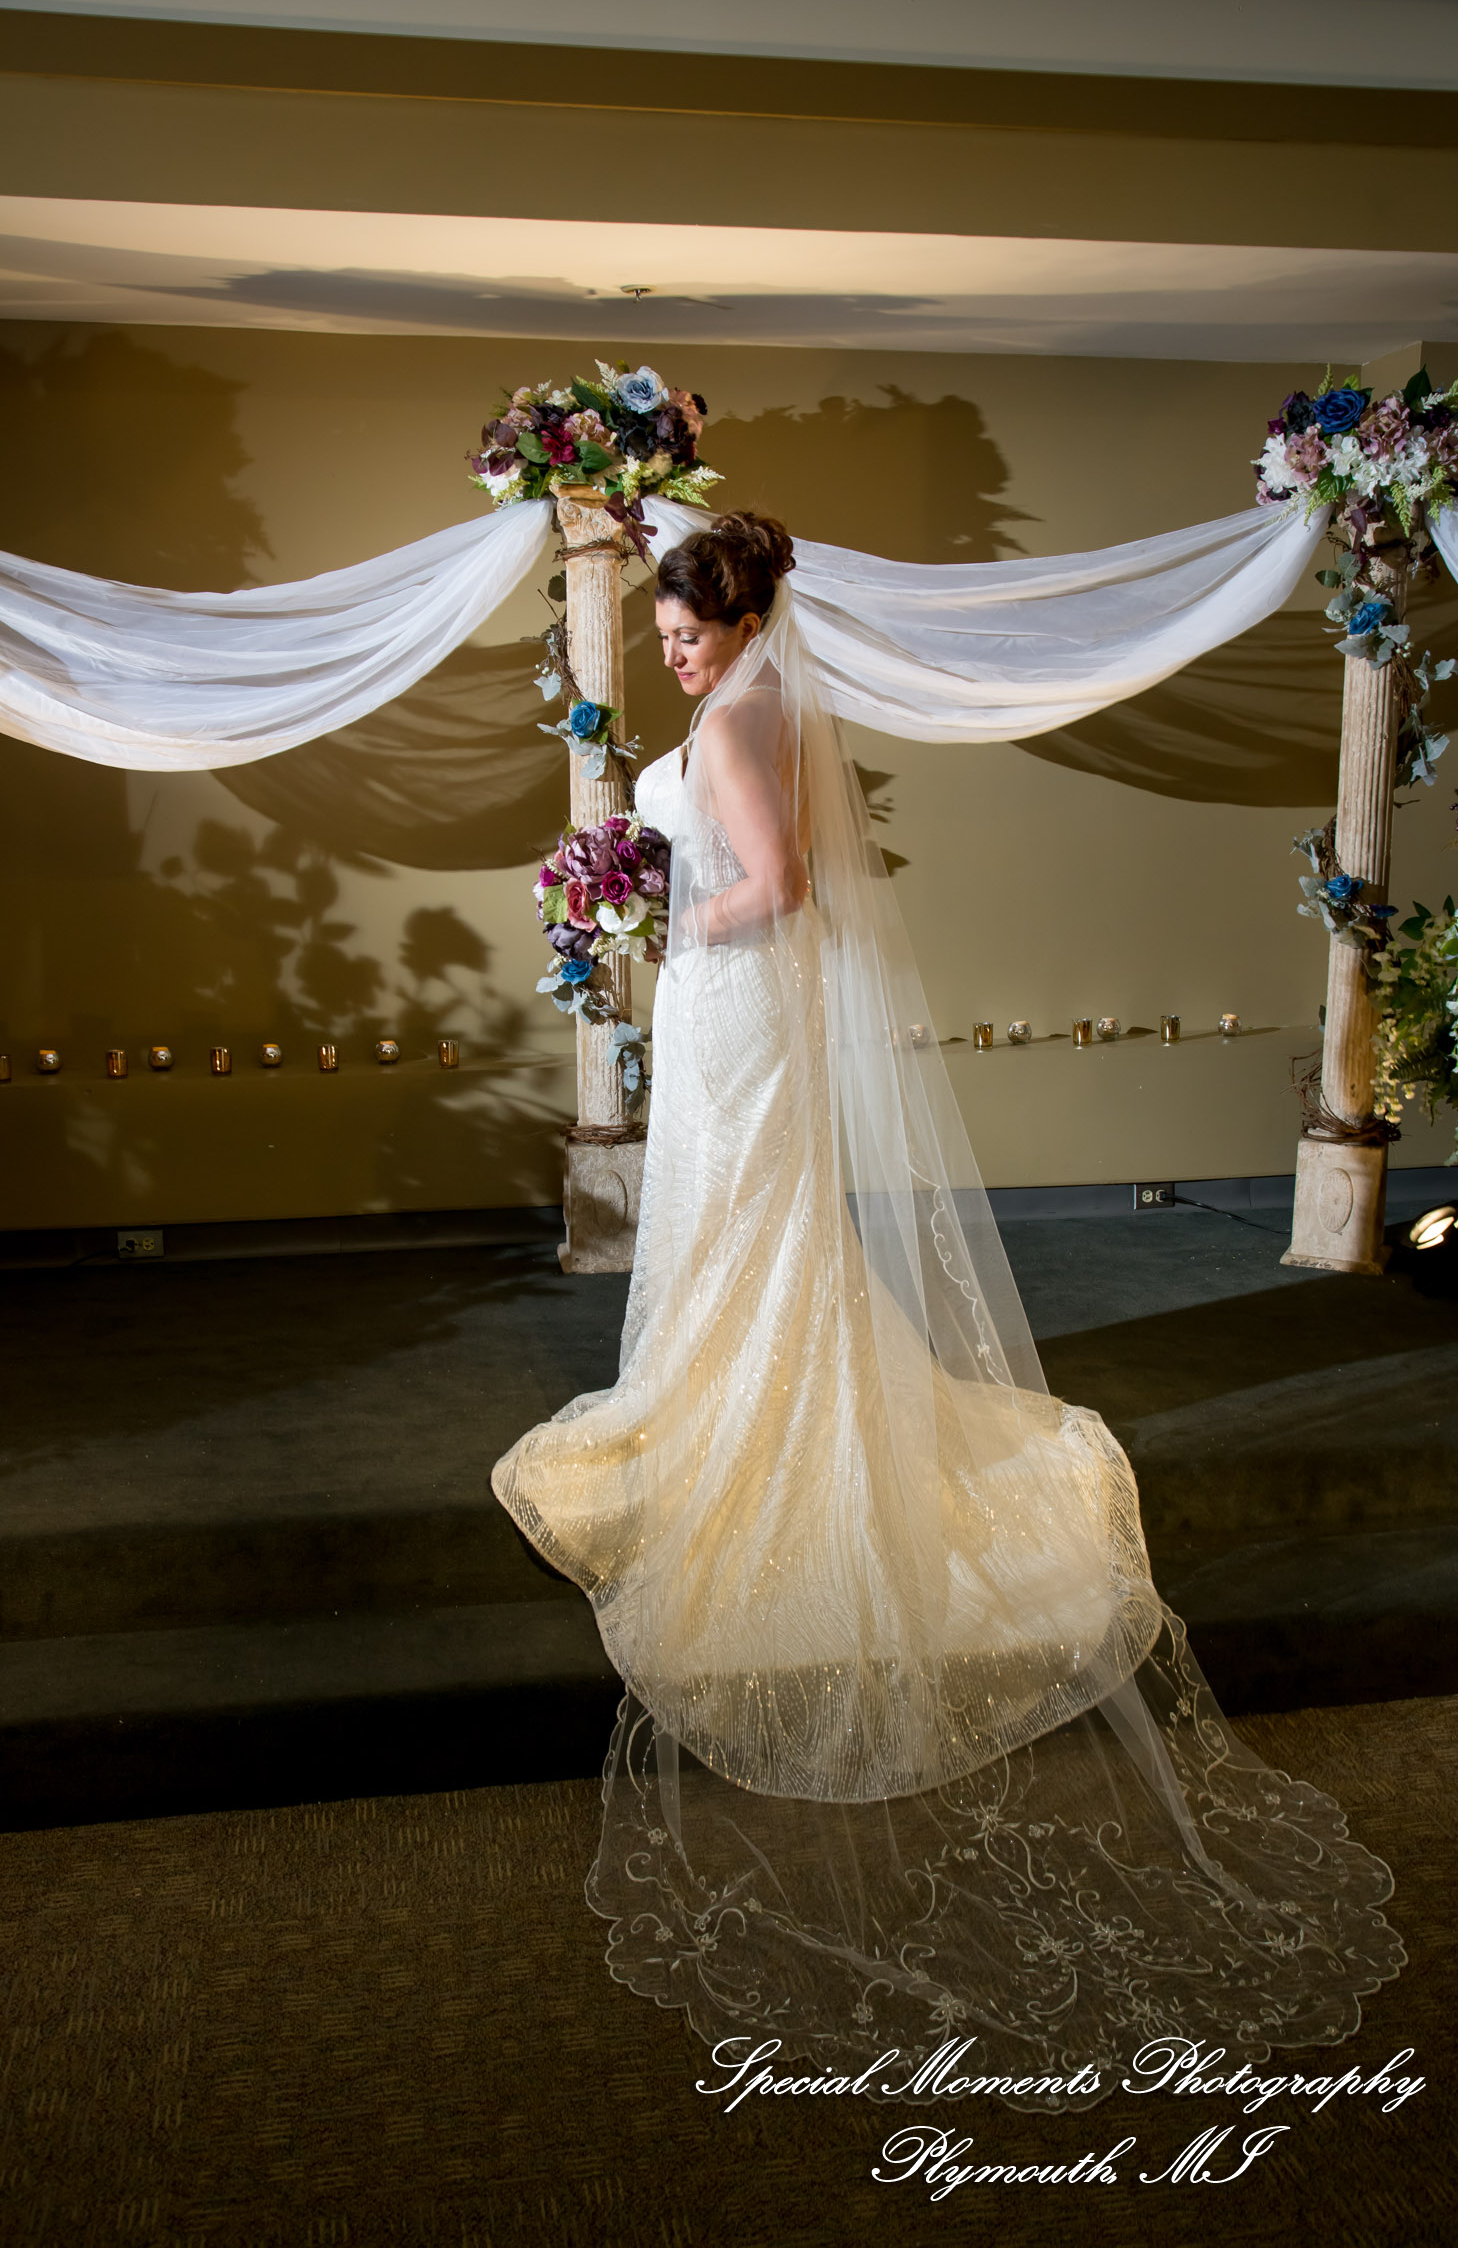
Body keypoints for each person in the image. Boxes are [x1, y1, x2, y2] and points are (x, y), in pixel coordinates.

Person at [493, 511, 1403, 2105]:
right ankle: (739, 1395)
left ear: (749, 613)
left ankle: (750, 1436)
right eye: (667, 625)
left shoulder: (746, 715)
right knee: (752, 1240)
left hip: (734, 1005)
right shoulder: (765, 705)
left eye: (694, 624)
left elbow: (770, 883)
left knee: (746, 1238)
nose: (675, 645)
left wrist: (646, 919)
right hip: (745, 1024)